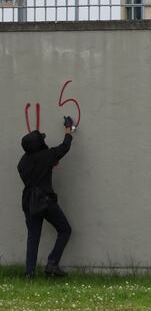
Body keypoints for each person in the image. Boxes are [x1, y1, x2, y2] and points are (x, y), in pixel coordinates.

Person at [18, 116, 76, 278]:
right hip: (45, 200)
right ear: (38, 144)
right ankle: (52, 263)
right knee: (65, 229)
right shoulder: (46, 156)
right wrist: (68, 130)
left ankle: (29, 273)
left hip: (29, 202)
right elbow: (64, 147)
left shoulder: (22, 163)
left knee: (33, 237)